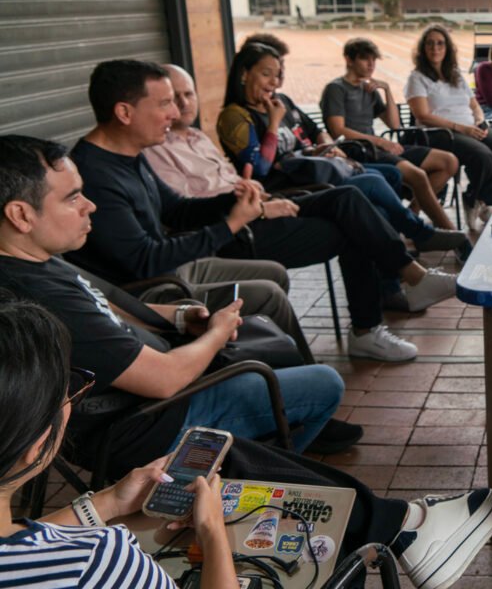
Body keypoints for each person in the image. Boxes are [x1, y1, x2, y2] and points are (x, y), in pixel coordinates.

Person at [0, 299, 492, 589]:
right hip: (145, 417)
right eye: (69, 390)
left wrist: (107, 502)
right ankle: (403, 530)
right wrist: (212, 533)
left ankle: (404, 527)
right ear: (33, 444)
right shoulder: (98, 559)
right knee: (321, 559)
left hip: (147, 420)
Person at [67, 61, 454, 363]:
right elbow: (144, 260)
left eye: (181, 97)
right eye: (165, 102)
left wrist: (234, 202)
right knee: (349, 224)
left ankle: (400, 290)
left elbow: (178, 209)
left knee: (348, 200)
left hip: (204, 245)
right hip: (160, 283)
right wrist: (235, 221)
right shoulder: (95, 175)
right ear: (124, 112)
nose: (175, 111)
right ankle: (330, 363)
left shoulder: (129, 154)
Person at [0, 137, 347, 461]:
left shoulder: (35, 260)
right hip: (144, 424)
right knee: (325, 383)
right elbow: (164, 379)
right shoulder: (37, 296)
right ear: (21, 215)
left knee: (275, 347)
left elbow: (104, 305)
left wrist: (180, 317)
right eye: (72, 197)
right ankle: (253, 469)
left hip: (149, 395)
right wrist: (217, 334)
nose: (89, 206)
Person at [219, 41, 467, 262]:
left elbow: (317, 130)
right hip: (289, 185)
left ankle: (394, 266)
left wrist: (328, 146)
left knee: (386, 181)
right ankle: (419, 235)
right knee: (374, 184)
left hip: (317, 167)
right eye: (266, 74)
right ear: (244, 74)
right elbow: (260, 169)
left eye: (277, 75)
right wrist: (274, 123)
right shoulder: (236, 115)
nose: (274, 82)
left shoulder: (281, 101)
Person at [319, 36, 463, 232]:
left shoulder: (369, 89)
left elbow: (394, 124)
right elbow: (338, 130)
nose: (371, 64)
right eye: (365, 59)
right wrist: (380, 141)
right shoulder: (336, 89)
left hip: (377, 148)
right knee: (418, 175)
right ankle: (451, 234)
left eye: (374, 59)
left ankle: (411, 215)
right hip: (356, 151)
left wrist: (386, 90)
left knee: (448, 162)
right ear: (349, 60)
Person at [406, 24, 492, 228]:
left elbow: (474, 104)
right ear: (423, 49)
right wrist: (461, 128)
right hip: (439, 133)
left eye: (440, 43)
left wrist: (480, 120)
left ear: (447, 48)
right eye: (430, 44)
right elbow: (423, 115)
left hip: (469, 128)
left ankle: (481, 199)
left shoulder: (455, 74)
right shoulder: (417, 78)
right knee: (483, 155)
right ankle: (473, 198)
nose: (435, 48)